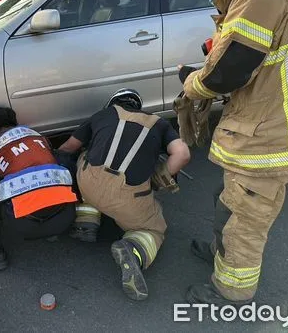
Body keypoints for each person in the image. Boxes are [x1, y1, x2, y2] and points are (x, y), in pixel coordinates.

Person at [181, 0, 288, 305]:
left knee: (245, 219)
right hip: (271, 126)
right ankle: (219, 251)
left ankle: (230, 289)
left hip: (270, 138)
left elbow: (226, 74)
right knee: (227, 199)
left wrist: (191, 82)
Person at [58, 89, 190, 301]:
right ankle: (134, 249)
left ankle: (86, 220)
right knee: (154, 229)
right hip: (129, 200)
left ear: (112, 103)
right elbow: (182, 154)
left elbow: (67, 148)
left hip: (88, 186)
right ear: (137, 106)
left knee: (85, 155)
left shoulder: (101, 115)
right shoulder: (160, 124)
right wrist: (158, 178)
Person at [0, 107, 78, 271]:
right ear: (17, 123)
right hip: (66, 217)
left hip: (25, 227)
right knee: (59, 157)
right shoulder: (38, 137)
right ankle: (60, 227)